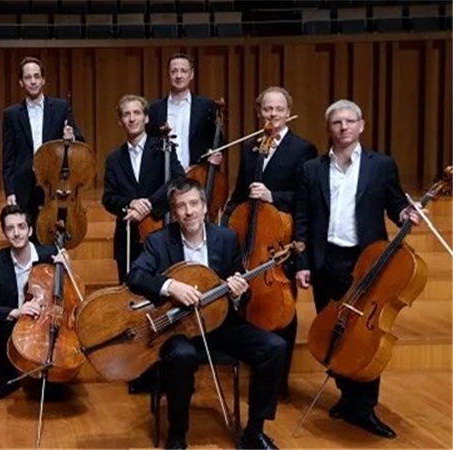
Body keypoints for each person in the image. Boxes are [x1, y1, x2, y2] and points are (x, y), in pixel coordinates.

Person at [127, 177, 286, 450]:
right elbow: (135, 276)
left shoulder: (226, 238)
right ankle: (177, 433)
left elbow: (241, 289)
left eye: (193, 204)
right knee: (181, 355)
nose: (188, 211)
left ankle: (254, 431)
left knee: (274, 347)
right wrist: (170, 285)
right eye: (181, 206)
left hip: (220, 322)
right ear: (173, 211)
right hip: (178, 326)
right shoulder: (159, 240)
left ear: (204, 207)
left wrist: (237, 293)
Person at [294, 99, 421, 439]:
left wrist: (405, 214)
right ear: (329, 128)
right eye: (337, 122)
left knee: (365, 336)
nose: (344, 127)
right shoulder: (311, 169)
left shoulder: (382, 165)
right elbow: (302, 220)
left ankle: (363, 407)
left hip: (367, 260)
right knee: (335, 332)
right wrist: (302, 264)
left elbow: (395, 203)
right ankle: (347, 399)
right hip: (325, 260)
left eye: (350, 121)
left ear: (361, 126)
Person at [221, 86, 318, 397]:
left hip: (281, 242)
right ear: (258, 112)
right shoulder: (251, 147)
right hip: (251, 243)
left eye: (278, 109)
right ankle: (255, 373)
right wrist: (225, 225)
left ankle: (278, 383)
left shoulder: (303, 149)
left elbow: (307, 197)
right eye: (266, 109)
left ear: (288, 112)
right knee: (246, 306)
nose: (272, 114)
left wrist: (273, 196)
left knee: (283, 311)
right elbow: (239, 194)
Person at [102, 94, 185, 283]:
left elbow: (179, 180)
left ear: (146, 118)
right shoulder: (114, 159)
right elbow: (108, 198)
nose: (132, 118)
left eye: (137, 113)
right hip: (128, 238)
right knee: (128, 292)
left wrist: (149, 204)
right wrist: (131, 203)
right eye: (126, 114)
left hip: (159, 230)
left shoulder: (164, 147)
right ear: (120, 122)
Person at [0, 204, 57, 402]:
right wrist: (16, 311)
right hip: (15, 318)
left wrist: (66, 269)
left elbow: (66, 293)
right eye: (10, 228)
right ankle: (8, 379)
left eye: (21, 227)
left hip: (44, 315)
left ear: (30, 230)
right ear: (4, 233)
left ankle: (52, 376)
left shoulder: (49, 255)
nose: (16, 233)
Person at [1, 56, 84, 232]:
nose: (33, 81)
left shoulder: (61, 107)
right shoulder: (11, 114)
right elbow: (8, 157)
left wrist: (71, 137)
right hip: (24, 186)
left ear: (43, 80)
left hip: (54, 185)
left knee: (54, 234)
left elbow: (79, 141)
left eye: (36, 76)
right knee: (26, 234)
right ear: (21, 82)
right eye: (28, 77)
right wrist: (10, 191)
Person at [147, 53, 223, 170]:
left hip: (197, 175)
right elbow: (149, 145)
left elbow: (218, 142)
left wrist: (209, 159)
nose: (178, 76)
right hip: (163, 175)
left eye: (184, 71)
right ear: (168, 74)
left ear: (191, 74)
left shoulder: (206, 106)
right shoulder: (155, 109)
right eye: (174, 71)